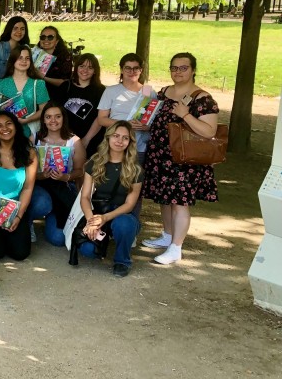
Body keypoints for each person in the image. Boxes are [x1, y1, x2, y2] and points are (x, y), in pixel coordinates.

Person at [142, 53, 219, 265]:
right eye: (174, 68)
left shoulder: (202, 99)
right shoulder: (164, 92)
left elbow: (209, 131)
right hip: (161, 154)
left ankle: (176, 247)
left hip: (184, 160)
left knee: (179, 202)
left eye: (183, 68)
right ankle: (167, 235)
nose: (178, 72)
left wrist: (185, 114)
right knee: (164, 199)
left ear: (193, 70)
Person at [0, 111, 49, 261]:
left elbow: (27, 188)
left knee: (20, 254)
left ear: (16, 126)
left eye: (8, 123)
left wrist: (19, 216)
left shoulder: (29, 153)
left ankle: (9, 232)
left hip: (13, 209)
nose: (4, 128)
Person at [77, 121, 144, 277]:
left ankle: (122, 261)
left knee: (124, 225)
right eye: (116, 136)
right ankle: (102, 242)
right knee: (88, 251)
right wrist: (91, 220)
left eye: (125, 138)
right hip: (98, 211)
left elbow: (129, 204)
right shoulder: (95, 162)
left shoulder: (135, 169)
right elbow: (85, 196)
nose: (120, 141)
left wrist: (105, 218)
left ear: (130, 142)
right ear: (108, 138)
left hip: (122, 214)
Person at [33, 102, 86, 247]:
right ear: (43, 120)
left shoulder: (74, 141)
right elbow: (25, 170)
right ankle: (28, 223)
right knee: (41, 203)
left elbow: (80, 171)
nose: (53, 121)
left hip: (63, 187)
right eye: (48, 117)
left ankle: (53, 215)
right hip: (40, 185)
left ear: (64, 118)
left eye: (57, 116)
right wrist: (41, 175)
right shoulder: (34, 138)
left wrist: (66, 177)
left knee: (58, 239)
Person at [53, 53, 105, 158]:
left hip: (91, 140)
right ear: (76, 68)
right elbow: (55, 112)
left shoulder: (101, 91)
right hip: (65, 138)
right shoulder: (65, 87)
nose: (85, 70)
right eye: (82, 66)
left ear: (95, 71)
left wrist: (86, 139)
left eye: (90, 67)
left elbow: (100, 118)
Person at [0, 45, 49, 139]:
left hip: (29, 133)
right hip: (6, 133)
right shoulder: (1, 83)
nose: (24, 61)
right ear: (13, 60)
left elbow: (44, 110)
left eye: (27, 58)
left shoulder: (38, 84)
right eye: (20, 58)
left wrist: (27, 120)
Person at [0, 17, 30, 106]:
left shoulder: (26, 50)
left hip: (20, 98)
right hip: (0, 98)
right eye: (15, 28)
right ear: (9, 29)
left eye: (22, 29)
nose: (19, 32)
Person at [34, 25, 73, 99]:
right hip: (35, 95)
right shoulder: (34, 54)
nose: (46, 40)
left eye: (50, 37)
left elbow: (65, 82)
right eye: (43, 37)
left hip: (55, 96)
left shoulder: (64, 57)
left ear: (57, 41)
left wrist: (43, 78)